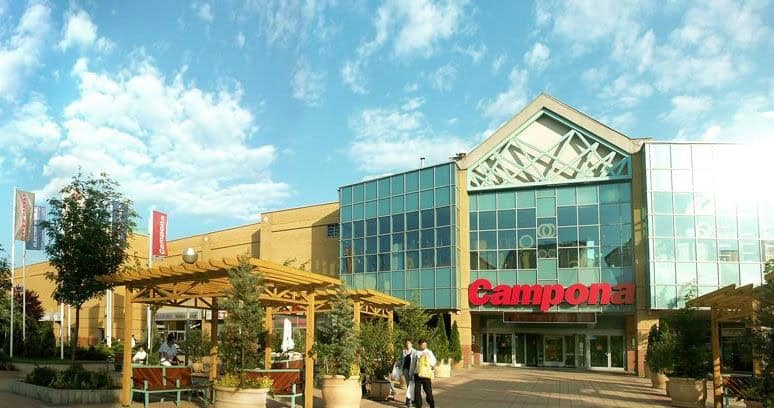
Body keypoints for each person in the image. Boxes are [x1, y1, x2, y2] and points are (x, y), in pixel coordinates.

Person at [412, 339, 436, 408]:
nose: (424, 346)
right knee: (417, 392)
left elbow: (433, 362)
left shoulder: (429, 352)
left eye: (425, 344)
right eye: (423, 345)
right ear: (419, 345)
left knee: (428, 391)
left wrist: (427, 358)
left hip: (426, 375)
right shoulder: (416, 353)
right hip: (417, 374)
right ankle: (418, 406)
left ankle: (431, 404)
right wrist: (412, 372)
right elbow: (413, 363)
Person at [401, 338, 417, 407]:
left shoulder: (415, 352)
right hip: (405, 370)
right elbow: (401, 360)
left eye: (409, 343)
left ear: (412, 344)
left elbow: (416, 362)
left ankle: (409, 400)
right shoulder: (404, 351)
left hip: (412, 371)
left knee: (411, 385)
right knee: (408, 385)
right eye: (406, 343)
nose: (407, 344)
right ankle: (409, 400)